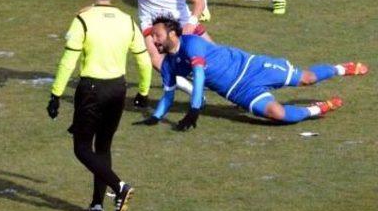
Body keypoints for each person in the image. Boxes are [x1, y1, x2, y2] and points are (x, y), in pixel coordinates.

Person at [46, 0, 152, 211]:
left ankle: (119, 187)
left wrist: (56, 94)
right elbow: (144, 61)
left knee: (82, 148)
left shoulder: (82, 20)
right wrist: (144, 92)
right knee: (103, 146)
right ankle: (97, 204)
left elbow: (67, 62)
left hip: (91, 89)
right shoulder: (128, 21)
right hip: (118, 89)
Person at [141, 17, 368, 128]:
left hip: (252, 67)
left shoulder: (191, 43)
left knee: (306, 79)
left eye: (157, 35)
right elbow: (168, 95)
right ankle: (317, 108)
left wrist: (194, 108)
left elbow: (199, 74)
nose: (154, 40)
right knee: (277, 114)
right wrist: (154, 117)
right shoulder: (169, 65)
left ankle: (341, 68)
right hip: (238, 91)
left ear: (172, 35)